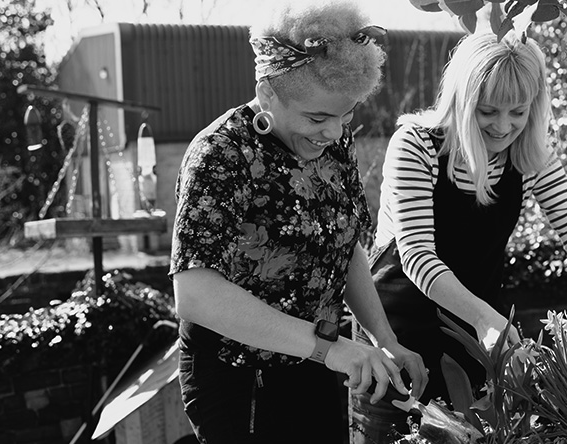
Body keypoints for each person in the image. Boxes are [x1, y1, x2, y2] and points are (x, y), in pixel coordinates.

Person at [351, 30, 567, 441]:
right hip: (397, 334)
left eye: (518, 112)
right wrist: (489, 320)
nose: (504, 127)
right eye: (488, 111)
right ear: (462, 100)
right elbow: (415, 255)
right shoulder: (417, 145)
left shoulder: (529, 152)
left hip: (474, 339)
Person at [169, 1, 428, 443]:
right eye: (317, 118)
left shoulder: (334, 140)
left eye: (346, 115)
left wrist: (383, 339)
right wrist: (329, 347)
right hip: (240, 379)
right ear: (268, 92)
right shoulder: (221, 154)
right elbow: (196, 295)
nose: (333, 132)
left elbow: (343, 248)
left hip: (318, 365)